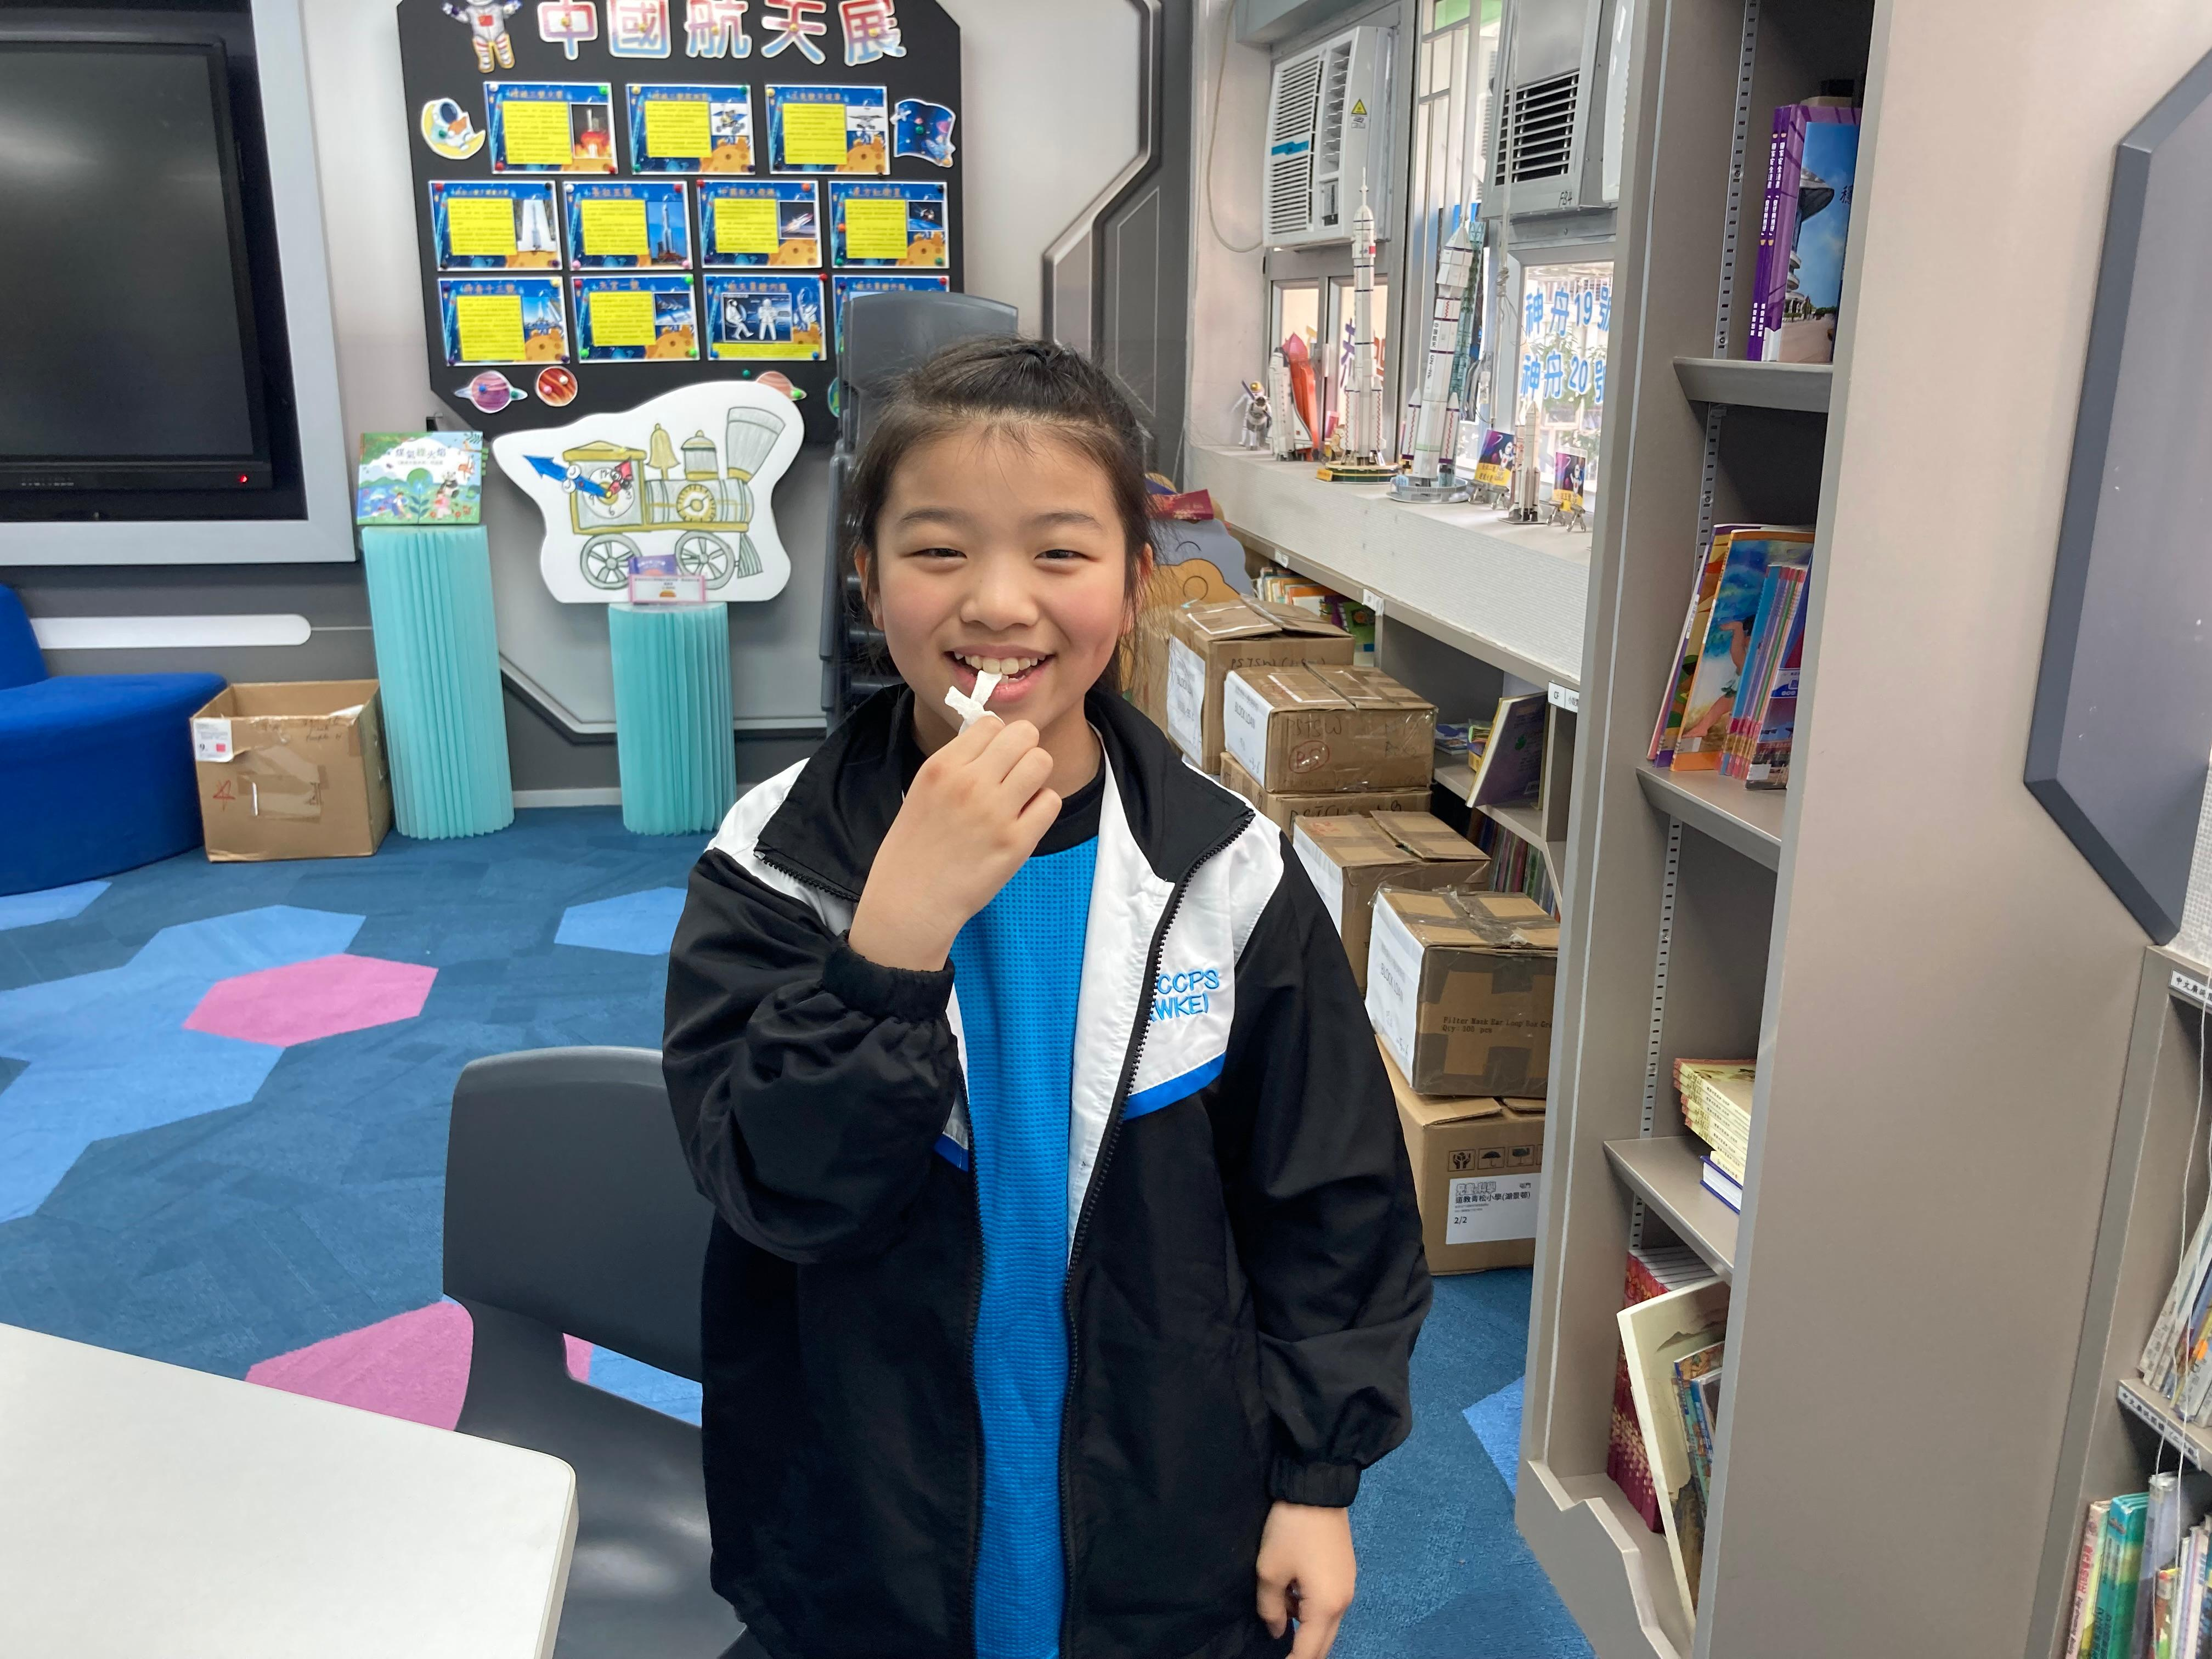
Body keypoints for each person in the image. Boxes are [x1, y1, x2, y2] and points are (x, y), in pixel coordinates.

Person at [663, 336, 1430, 1659]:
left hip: (1165, 1528)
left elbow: (1331, 1202)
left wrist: (1318, 1480)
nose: (1000, 602)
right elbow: (778, 1192)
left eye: (1061, 553)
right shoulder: (775, 862)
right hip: (862, 1522)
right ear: (868, 576)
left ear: (1134, 584)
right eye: (938, 549)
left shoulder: (1226, 875)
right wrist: (895, 940)